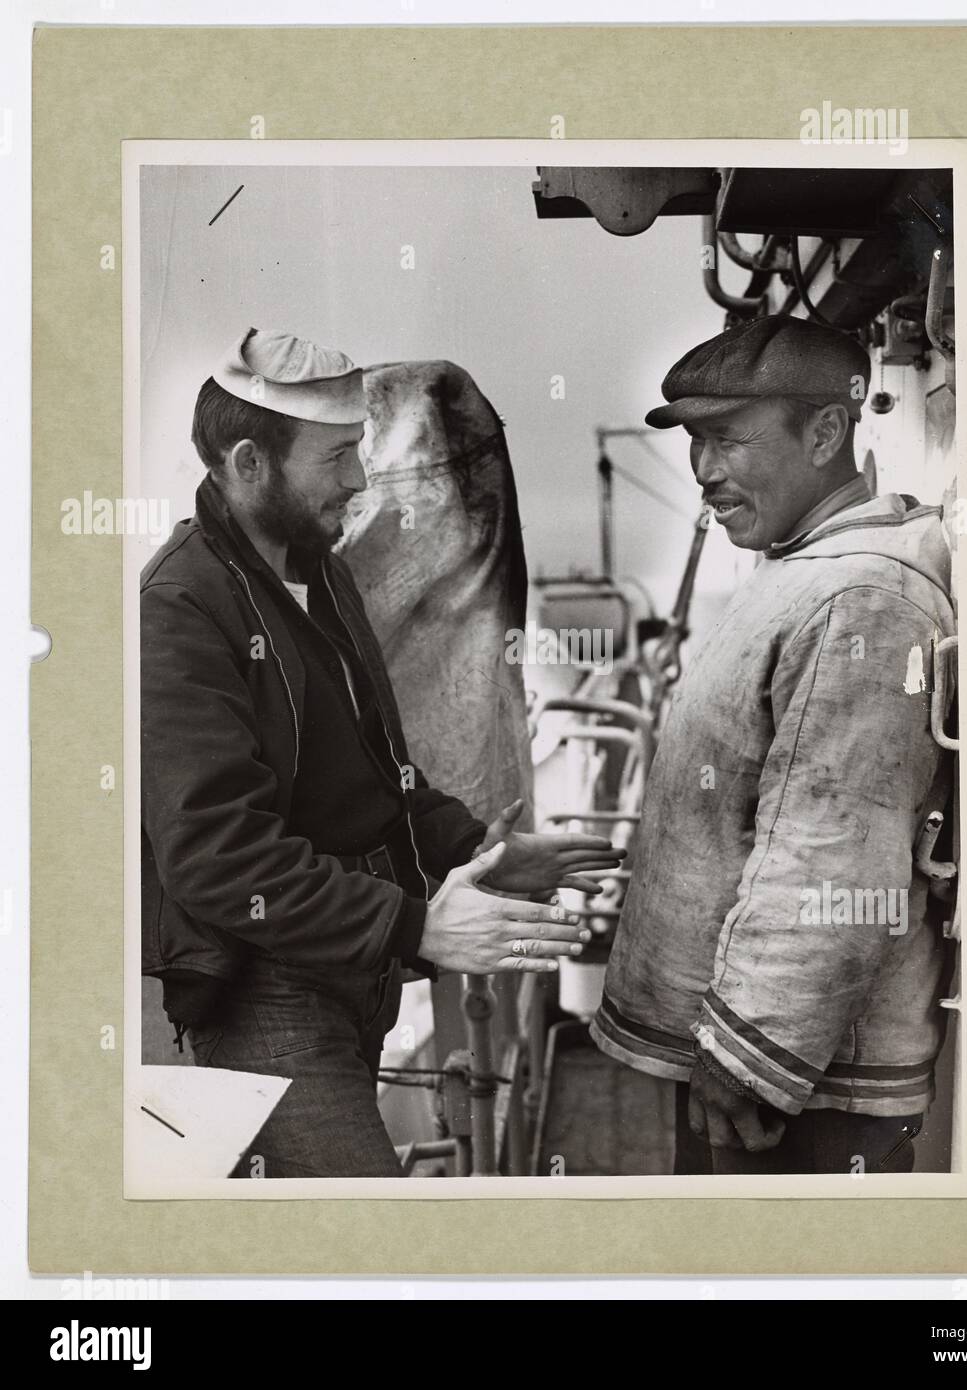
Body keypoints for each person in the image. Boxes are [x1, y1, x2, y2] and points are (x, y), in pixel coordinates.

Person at [141, 326, 623, 1178]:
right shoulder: (179, 606)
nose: (360, 481)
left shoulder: (316, 570)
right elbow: (217, 857)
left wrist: (482, 850)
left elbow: (379, 776)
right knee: (371, 1237)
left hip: (356, 977)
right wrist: (416, 923)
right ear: (249, 463)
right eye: (334, 459)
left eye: (360, 450)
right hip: (266, 993)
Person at [590, 314, 957, 1175]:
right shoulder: (805, 568)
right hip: (758, 1064)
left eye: (726, 440)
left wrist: (747, 1057)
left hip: (794, 1092)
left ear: (826, 431)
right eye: (694, 443)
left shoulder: (858, 598)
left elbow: (830, 854)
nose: (704, 472)